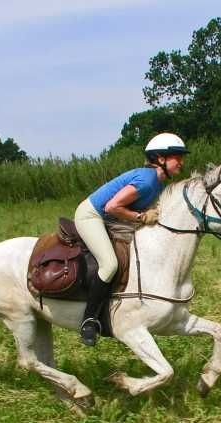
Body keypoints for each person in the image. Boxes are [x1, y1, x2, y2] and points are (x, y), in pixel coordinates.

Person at [74, 132, 189, 346]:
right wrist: (142, 217)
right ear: (161, 159)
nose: (181, 162)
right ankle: (89, 320)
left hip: (110, 218)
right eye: (177, 156)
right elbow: (111, 206)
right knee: (109, 265)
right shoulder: (147, 180)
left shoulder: (158, 183)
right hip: (91, 216)